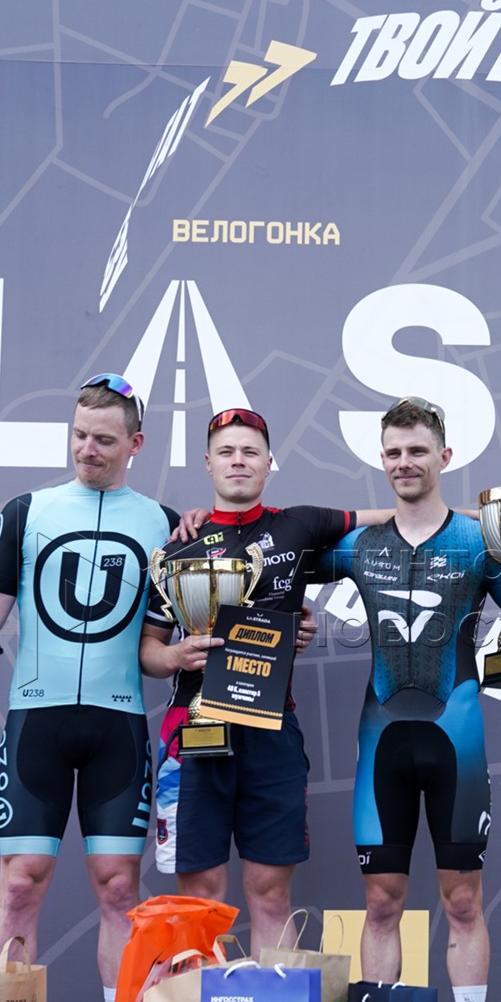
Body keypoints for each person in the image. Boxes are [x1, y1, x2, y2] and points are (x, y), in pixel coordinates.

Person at [0, 374, 176, 1002]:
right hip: (36, 721)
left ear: (135, 444)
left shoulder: (164, 523)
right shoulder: (26, 510)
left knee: (120, 888)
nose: (87, 449)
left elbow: (158, 642)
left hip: (118, 727)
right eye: (79, 435)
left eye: (104, 440)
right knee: (20, 882)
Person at [319, 396, 501, 1002]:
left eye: (417, 450)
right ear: (381, 459)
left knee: (463, 900)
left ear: (444, 457)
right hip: (382, 742)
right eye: (393, 452)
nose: (404, 463)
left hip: (457, 739)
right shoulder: (357, 546)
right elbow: (275, 557)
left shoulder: (482, 542)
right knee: (382, 902)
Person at [140, 407, 378, 955]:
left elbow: (402, 517)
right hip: (191, 733)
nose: (238, 461)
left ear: (270, 463)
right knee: (200, 897)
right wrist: (176, 654)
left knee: (271, 895)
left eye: (250, 451)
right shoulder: (177, 547)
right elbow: (148, 651)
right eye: (226, 452)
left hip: (271, 730)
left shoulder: (300, 525)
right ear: (207, 464)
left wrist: (480, 516)